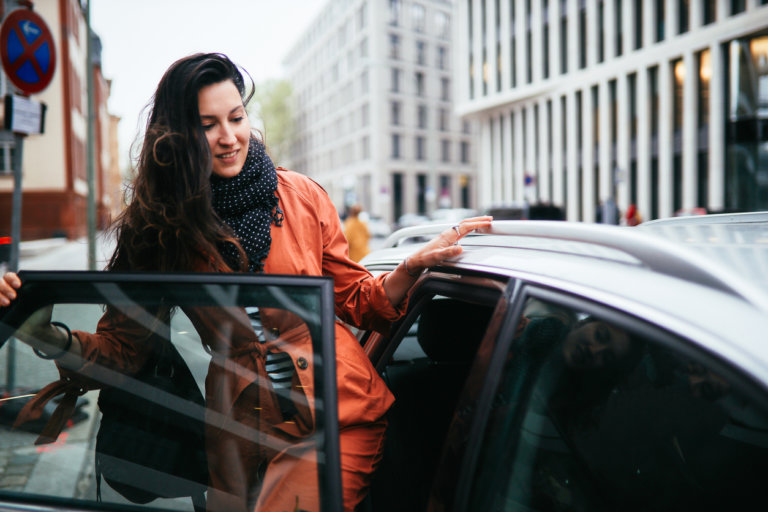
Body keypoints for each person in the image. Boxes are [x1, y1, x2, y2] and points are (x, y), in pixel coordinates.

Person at [0, 53, 491, 512]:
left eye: (236, 117)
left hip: (333, 414)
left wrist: (408, 269)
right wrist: (46, 334)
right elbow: (123, 348)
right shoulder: (159, 229)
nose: (229, 137)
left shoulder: (301, 196)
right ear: (176, 136)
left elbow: (357, 301)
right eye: (207, 125)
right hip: (235, 433)